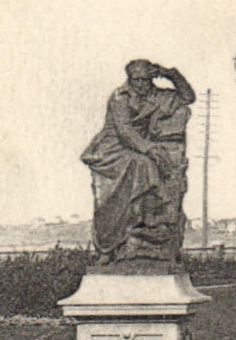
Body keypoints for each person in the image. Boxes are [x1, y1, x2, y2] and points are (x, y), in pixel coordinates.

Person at [81, 59, 196, 264]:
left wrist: (170, 74)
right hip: (113, 149)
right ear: (130, 79)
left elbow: (188, 97)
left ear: (151, 79)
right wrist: (149, 148)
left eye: (145, 79)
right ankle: (109, 246)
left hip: (139, 148)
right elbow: (125, 131)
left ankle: (151, 222)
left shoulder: (158, 96)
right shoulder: (120, 97)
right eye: (136, 80)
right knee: (142, 167)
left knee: (148, 165)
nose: (141, 84)